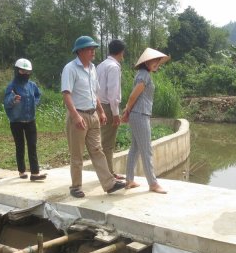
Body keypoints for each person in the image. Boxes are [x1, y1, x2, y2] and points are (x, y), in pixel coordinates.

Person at [61, 36, 126, 198]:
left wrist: (101, 111)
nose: (93, 52)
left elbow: (94, 93)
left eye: (94, 49)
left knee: (98, 150)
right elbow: (66, 94)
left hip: (93, 115)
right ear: (80, 51)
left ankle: (109, 184)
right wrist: (75, 116)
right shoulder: (70, 68)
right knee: (77, 154)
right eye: (90, 49)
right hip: (78, 116)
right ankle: (76, 186)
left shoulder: (92, 68)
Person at [121, 48, 169, 194]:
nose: (157, 64)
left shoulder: (142, 74)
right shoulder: (144, 76)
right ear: (146, 62)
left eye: (158, 61)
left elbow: (134, 96)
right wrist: (127, 111)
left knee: (135, 148)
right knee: (146, 150)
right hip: (140, 114)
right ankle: (153, 183)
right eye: (154, 61)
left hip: (139, 114)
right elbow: (133, 96)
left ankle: (129, 180)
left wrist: (129, 111)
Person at [3, 58, 47, 181]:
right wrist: (13, 99)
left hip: (30, 120)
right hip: (16, 122)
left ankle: (35, 173)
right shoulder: (11, 87)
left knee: (32, 145)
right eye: (22, 71)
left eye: (28, 72)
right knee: (20, 146)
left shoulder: (32, 85)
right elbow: (6, 102)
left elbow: (38, 95)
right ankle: (22, 171)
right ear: (17, 71)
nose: (25, 74)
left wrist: (35, 103)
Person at [97, 39, 126, 179]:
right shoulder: (114, 67)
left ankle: (106, 172)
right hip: (108, 107)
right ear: (121, 52)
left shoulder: (101, 65)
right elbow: (113, 93)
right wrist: (115, 114)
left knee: (102, 141)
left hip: (98, 106)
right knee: (108, 143)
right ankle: (109, 174)